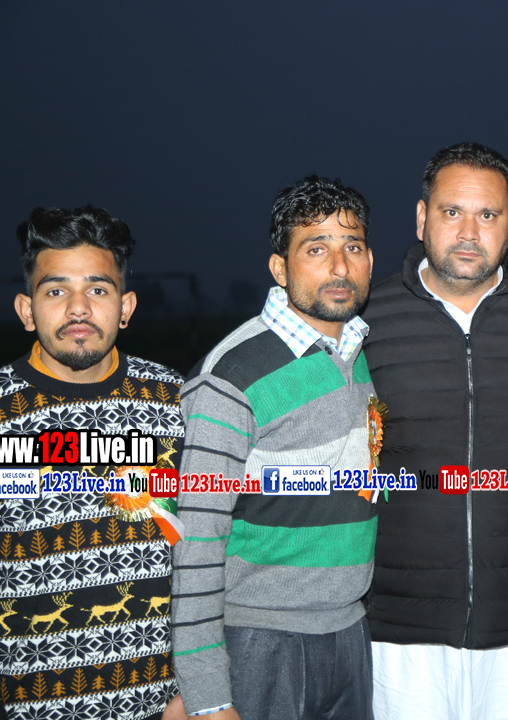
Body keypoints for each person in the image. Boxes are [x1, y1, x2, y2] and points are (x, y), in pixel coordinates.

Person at [361, 142, 508, 719]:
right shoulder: (366, 320)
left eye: (487, 214)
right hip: (399, 633)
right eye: (452, 212)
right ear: (421, 218)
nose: (469, 232)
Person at [171, 176, 379, 720]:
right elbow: (195, 542)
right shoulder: (230, 377)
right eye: (316, 249)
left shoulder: (358, 353)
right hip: (260, 644)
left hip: (350, 632)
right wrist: (207, 695)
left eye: (353, 246)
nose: (340, 266)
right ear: (279, 268)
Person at [0, 206, 185, 719]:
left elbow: (212, 553)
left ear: (126, 306)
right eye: (55, 291)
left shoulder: (178, 404)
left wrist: (198, 693)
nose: (78, 308)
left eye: (98, 289)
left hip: (164, 708)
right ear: (26, 310)